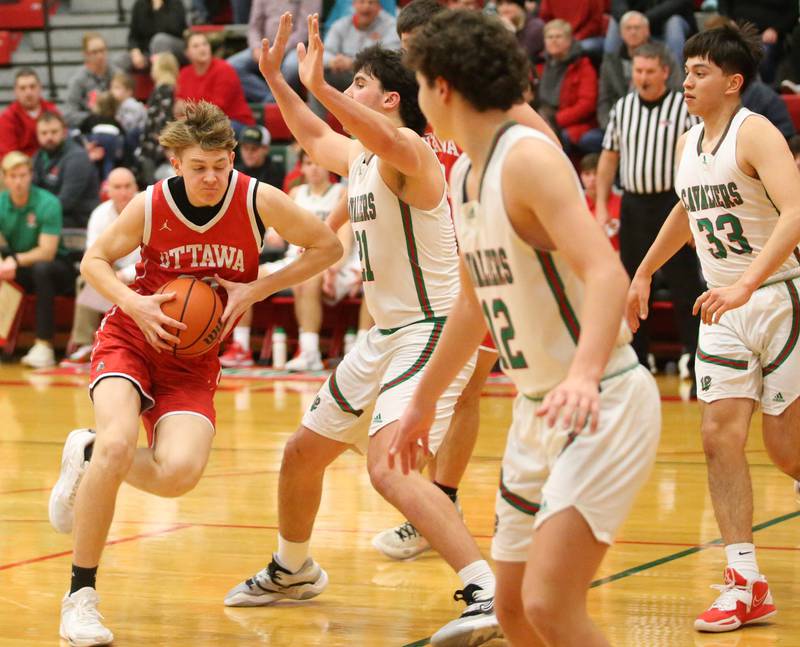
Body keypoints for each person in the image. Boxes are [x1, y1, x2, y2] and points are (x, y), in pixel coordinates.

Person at [224, 14, 502, 645]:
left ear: (392, 99)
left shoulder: (413, 154)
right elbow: (315, 135)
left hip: (433, 328)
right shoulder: (360, 159)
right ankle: (293, 569)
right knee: (301, 454)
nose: (350, 94)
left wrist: (322, 84)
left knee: (390, 468)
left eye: (360, 85)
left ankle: (486, 589)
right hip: (384, 336)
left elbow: (350, 124)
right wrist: (277, 80)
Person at [394, 10, 660, 645]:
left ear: (445, 88)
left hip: (602, 402)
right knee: (510, 610)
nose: (417, 95)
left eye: (420, 82)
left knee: (549, 604)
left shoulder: (528, 160)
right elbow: (471, 303)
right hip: (536, 413)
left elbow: (605, 272)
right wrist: (421, 403)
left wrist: (586, 376)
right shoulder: (461, 173)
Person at [47, 100, 342, 646]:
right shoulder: (151, 203)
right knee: (118, 443)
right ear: (176, 163)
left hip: (194, 359)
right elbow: (93, 261)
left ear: (233, 158)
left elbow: (328, 245)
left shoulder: (257, 199)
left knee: (179, 472)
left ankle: (84, 453)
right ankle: (80, 597)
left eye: (220, 165)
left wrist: (258, 286)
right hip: (133, 337)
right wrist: (133, 305)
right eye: (198, 166)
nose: (210, 177)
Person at [371, 0, 559, 561]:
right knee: (459, 386)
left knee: (467, 386)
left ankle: (442, 503)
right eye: (402, 46)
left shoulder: (480, 100)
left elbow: (546, 146)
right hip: (445, 264)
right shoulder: (411, 108)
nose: (408, 55)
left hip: (488, 260)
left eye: (415, 44)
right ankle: (441, 505)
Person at [627, 23, 800, 633]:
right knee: (717, 436)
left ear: (731, 82)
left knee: (785, 451)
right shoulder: (688, 141)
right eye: (686, 70)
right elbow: (687, 205)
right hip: (722, 307)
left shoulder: (756, 132)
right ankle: (745, 579)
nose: (685, 81)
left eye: (699, 73)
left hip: (778, 298)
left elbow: (797, 212)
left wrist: (748, 282)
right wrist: (644, 270)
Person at [596, 42, 704, 381]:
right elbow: (609, 156)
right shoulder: (622, 108)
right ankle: (637, 358)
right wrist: (600, 204)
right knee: (630, 282)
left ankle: (693, 354)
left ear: (665, 73)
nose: (641, 77)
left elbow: (698, 156)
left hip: (672, 205)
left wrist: (695, 215)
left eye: (648, 71)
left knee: (685, 283)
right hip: (634, 205)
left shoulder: (683, 106)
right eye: (638, 70)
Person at [221, 149, 349, 369]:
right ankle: (240, 347)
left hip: (327, 263)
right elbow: (276, 231)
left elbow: (345, 239)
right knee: (246, 276)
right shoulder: (296, 192)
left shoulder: (340, 193)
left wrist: (334, 269)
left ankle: (310, 352)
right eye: (308, 163)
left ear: (328, 167)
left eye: (318, 163)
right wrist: (272, 234)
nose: (314, 168)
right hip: (294, 259)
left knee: (307, 279)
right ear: (302, 168)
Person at [0, 151, 74, 369]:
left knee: (42, 269)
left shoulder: (48, 203)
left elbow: (47, 251)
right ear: (5, 178)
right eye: (13, 176)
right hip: (18, 267)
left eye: (23, 175)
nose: (18, 181)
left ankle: (44, 346)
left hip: (57, 269)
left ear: (31, 175)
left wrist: (14, 260)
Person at [61, 168, 140, 367]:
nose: (123, 192)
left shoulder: (147, 209)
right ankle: (84, 344)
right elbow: (93, 255)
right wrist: (111, 275)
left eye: (127, 186)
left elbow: (153, 256)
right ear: (108, 190)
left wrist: (124, 274)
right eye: (118, 187)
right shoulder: (99, 214)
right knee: (86, 279)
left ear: (136, 188)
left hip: (143, 272)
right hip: (111, 271)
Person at [597, 10, 683, 130]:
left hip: (659, 122)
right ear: (621, 33)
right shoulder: (610, 60)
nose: (633, 32)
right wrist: (609, 127)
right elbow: (604, 100)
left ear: (647, 31)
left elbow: (677, 88)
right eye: (628, 28)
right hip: (619, 124)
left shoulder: (664, 54)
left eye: (637, 28)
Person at [314, 0, 401, 116]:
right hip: (344, 76)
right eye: (362, 2)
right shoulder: (340, 25)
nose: (366, 6)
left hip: (375, 79)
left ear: (379, 7)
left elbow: (391, 57)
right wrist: (333, 61)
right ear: (354, 5)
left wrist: (352, 63)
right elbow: (323, 54)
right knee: (317, 76)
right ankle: (316, 127)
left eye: (371, 2)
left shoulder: (391, 25)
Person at [228, 0, 320, 102]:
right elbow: (254, 27)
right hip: (264, 46)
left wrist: (279, 48)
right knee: (231, 66)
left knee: (292, 66)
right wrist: (256, 47)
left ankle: (276, 102)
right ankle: (272, 100)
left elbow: (305, 30)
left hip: (296, 47)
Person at [537, 19, 599, 154]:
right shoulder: (540, 66)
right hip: (542, 117)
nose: (554, 41)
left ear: (569, 40)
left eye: (558, 37)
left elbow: (587, 104)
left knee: (562, 136)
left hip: (571, 123)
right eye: (550, 37)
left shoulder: (583, 66)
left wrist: (557, 119)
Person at [176, 32, 255, 136]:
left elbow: (216, 109)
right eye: (196, 46)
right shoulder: (184, 73)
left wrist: (189, 109)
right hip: (200, 124)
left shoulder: (224, 69)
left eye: (205, 44)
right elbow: (178, 106)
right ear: (187, 53)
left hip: (234, 122)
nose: (202, 48)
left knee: (206, 132)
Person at [32, 111, 100, 229]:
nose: (49, 137)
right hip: (53, 214)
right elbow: (31, 191)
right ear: (37, 135)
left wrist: (36, 214)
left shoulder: (77, 157)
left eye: (54, 132)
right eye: (44, 133)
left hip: (78, 220)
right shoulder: (38, 156)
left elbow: (66, 202)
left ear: (64, 132)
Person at [0, 68, 60, 159]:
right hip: (22, 169)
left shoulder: (52, 111)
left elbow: (62, 143)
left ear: (40, 88)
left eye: (32, 87)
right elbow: (9, 157)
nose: (28, 92)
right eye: (22, 88)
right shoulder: (7, 118)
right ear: (15, 91)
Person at [139, 52, 180, 183]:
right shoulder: (171, 88)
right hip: (160, 144)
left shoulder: (163, 90)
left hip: (155, 147)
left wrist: (165, 145)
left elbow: (162, 119)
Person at [64, 33, 118, 130]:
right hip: (89, 128)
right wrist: (94, 118)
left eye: (102, 50)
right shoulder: (78, 80)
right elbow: (69, 114)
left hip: (116, 124)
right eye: (94, 52)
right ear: (85, 54)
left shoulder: (117, 74)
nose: (100, 56)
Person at [118, 0, 187, 73]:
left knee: (160, 40)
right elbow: (133, 36)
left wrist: (158, 10)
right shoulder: (139, 5)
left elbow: (175, 28)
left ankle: (165, 82)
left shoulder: (176, 3)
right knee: (119, 60)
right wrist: (135, 51)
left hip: (173, 49)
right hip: (147, 52)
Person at [581, 153, 620, 250]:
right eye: (587, 174)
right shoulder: (577, 206)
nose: (592, 179)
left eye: (596, 173)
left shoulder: (622, 202)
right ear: (581, 176)